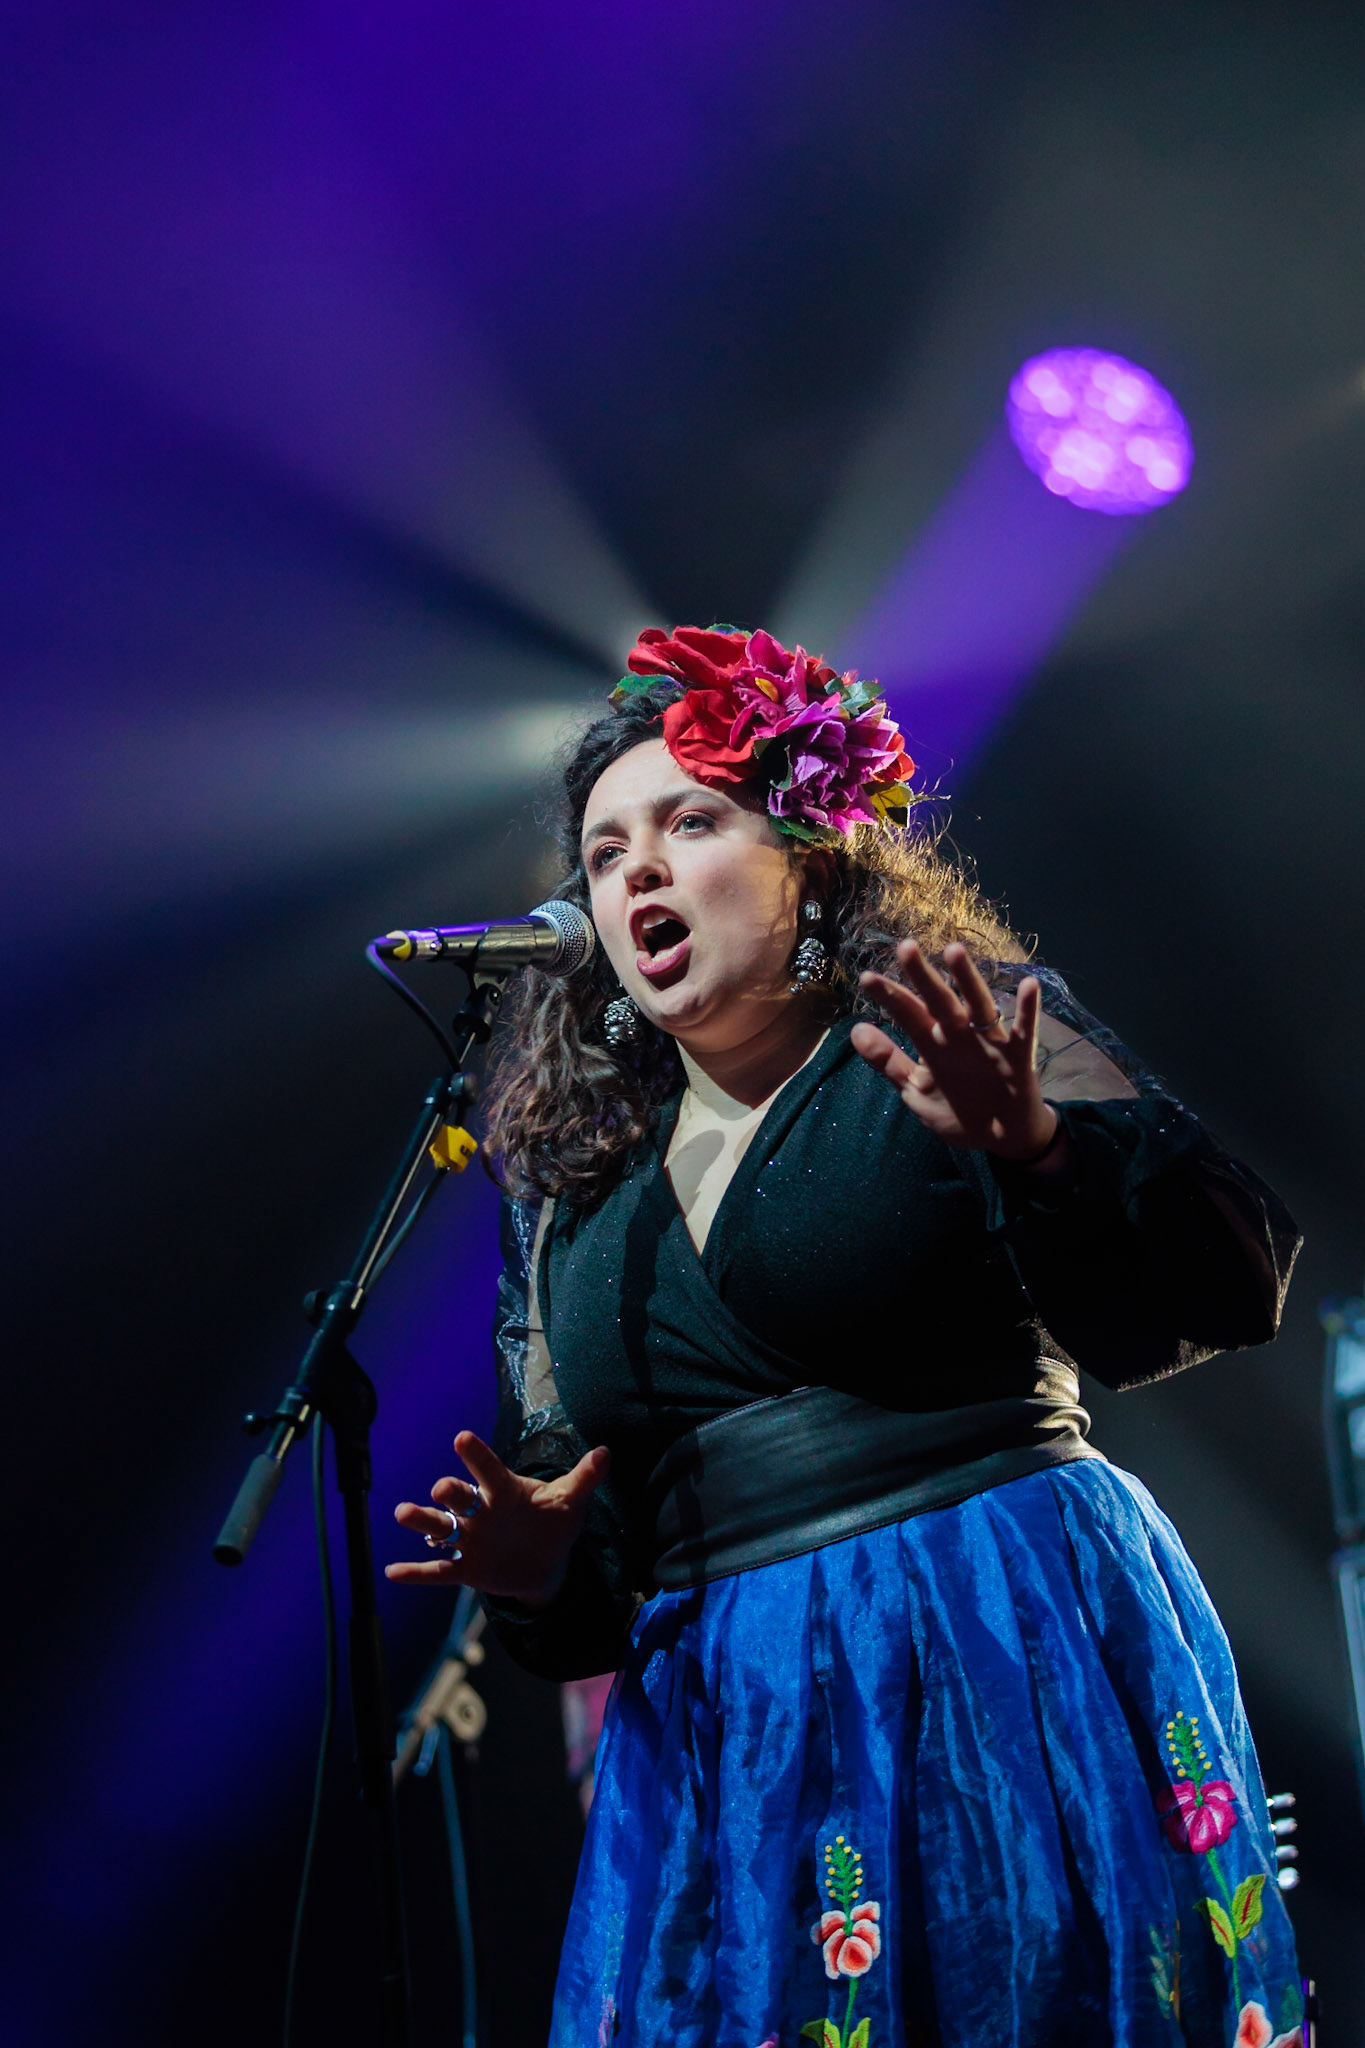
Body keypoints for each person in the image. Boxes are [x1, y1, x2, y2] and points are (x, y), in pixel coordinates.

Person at [387, 625, 1303, 2048]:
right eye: (605, 852)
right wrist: (539, 1567)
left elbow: (1224, 1277)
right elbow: (587, 1527)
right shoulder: (571, 1184)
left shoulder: (950, 1025)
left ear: (811, 861)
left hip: (993, 1622)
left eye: (690, 823)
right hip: (733, 1709)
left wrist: (1041, 1148)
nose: (636, 870)